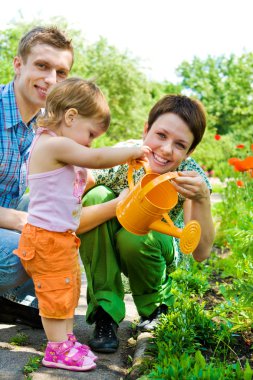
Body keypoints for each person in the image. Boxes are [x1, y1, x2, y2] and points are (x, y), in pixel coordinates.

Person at [13, 77, 151, 372]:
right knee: (54, 294)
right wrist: (131, 151)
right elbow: (96, 158)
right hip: (46, 238)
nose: (91, 142)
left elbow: (86, 170)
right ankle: (56, 349)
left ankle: (65, 339)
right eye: (91, 133)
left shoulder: (60, 148)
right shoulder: (53, 144)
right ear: (71, 116)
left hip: (59, 237)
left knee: (67, 290)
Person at [77, 94, 216, 353]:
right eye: (161, 135)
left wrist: (202, 198)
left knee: (139, 232)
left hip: (152, 252)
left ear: (190, 151)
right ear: (146, 129)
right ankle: (105, 313)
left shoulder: (188, 177)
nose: (165, 149)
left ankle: (155, 309)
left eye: (179, 144)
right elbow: (74, 190)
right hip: (110, 244)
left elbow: (201, 252)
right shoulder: (126, 157)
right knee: (95, 196)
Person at [0, 26, 74, 328]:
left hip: (7, 219)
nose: (51, 80)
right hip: (8, 226)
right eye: (42, 66)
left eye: (61, 72)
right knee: (18, 256)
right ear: (18, 65)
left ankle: (13, 301)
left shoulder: (41, 127)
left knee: (66, 222)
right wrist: (24, 224)